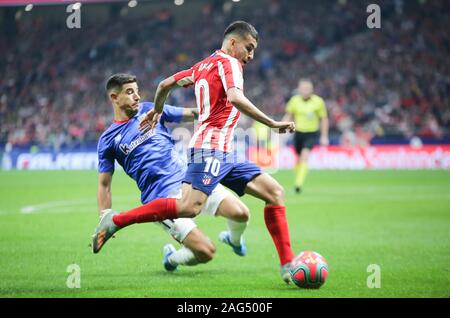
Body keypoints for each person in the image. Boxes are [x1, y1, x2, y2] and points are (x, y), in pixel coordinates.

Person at [93, 21, 297, 283]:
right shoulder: (229, 63)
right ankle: (117, 221)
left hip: (223, 151)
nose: (251, 56)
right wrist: (272, 123)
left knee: (273, 194)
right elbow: (234, 97)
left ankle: (287, 265)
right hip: (206, 150)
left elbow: (165, 84)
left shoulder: (201, 66)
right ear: (233, 43)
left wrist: (156, 109)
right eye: (249, 48)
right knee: (190, 210)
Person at [94, 73, 250, 271]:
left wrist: (219, 107)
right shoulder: (108, 140)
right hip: (160, 197)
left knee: (241, 213)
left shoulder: (151, 109)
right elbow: (104, 184)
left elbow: (192, 113)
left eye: (137, 91)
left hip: (190, 180)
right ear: (114, 98)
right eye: (130, 92)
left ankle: (234, 240)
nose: (137, 96)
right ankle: (171, 259)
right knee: (205, 252)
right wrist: (104, 218)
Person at [283, 79, 329, 194]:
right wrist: (280, 128)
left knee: (304, 156)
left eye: (307, 89)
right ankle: (298, 179)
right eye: (303, 89)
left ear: (312, 90)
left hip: (312, 133)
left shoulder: (318, 102)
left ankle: (298, 184)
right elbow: (289, 116)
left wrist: (324, 136)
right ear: (299, 89)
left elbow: (324, 119)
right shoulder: (294, 101)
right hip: (298, 133)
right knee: (298, 159)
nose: (305, 91)